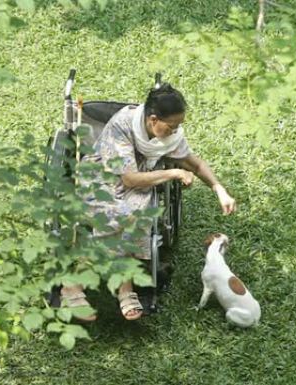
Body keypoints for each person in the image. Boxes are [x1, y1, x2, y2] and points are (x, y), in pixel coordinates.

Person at [60, 81, 236, 321]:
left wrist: (219, 189)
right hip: (101, 179)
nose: (175, 132)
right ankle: (94, 286)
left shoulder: (169, 137)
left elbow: (194, 163)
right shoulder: (121, 125)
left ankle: (113, 286)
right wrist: (173, 173)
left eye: (178, 126)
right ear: (153, 120)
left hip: (138, 183)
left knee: (137, 211)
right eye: (171, 126)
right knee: (120, 217)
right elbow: (130, 178)